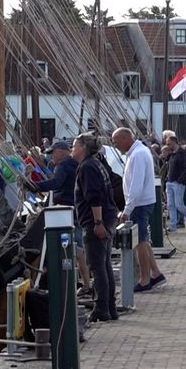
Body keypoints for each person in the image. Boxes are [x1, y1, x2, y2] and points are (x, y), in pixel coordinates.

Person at [112, 128, 168, 293]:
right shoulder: (139, 152)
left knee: (139, 243)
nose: (115, 145)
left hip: (139, 204)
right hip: (143, 202)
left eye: (116, 141)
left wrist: (127, 209)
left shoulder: (137, 155)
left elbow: (136, 185)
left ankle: (145, 280)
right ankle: (156, 273)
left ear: (125, 138)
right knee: (143, 239)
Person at [33, 141, 90, 295]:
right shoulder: (75, 164)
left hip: (65, 212)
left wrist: (36, 186)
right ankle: (86, 282)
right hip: (77, 209)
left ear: (61, 152)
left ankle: (66, 282)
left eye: (53, 152)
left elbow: (57, 183)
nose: (51, 156)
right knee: (78, 248)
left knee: (66, 248)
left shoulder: (62, 166)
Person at [72, 133, 118, 322]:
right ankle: (110, 307)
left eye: (74, 145)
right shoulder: (96, 163)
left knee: (97, 266)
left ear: (83, 147)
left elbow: (94, 196)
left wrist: (98, 223)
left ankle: (101, 308)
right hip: (107, 217)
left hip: (96, 222)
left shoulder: (87, 167)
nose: (72, 149)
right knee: (105, 265)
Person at [164, 134, 186, 234]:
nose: (168, 145)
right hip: (170, 182)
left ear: (174, 142)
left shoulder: (182, 153)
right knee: (170, 205)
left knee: (179, 204)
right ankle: (173, 225)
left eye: (169, 143)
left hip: (178, 182)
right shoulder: (171, 154)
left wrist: (180, 180)